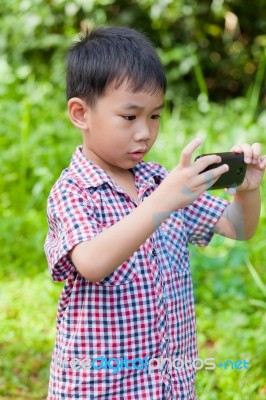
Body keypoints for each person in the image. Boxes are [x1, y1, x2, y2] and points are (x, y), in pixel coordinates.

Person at [44, 26, 266, 399]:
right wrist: (163, 201)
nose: (145, 133)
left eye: (155, 116)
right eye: (130, 117)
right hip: (100, 384)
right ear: (81, 113)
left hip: (168, 382)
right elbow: (92, 263)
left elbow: (238, 227)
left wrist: (248, 191)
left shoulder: (160, 180)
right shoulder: (74, 190)